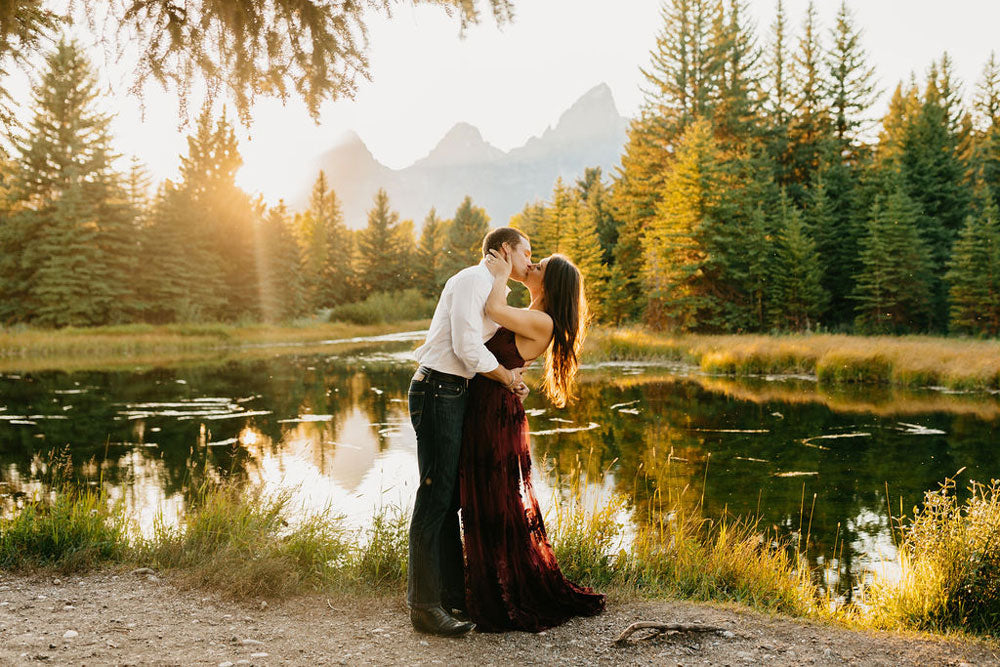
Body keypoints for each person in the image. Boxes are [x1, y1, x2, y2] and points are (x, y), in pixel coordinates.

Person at [458, 248, 606, 632]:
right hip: (488, 406)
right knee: (489, 496)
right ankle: (487, 586)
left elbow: (492, 310)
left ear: (549, 282)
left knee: (498, 498)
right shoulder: (533, 315)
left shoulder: (542, 321)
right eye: (532, 260)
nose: (532, 266)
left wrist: (501, 269)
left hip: (494, 413)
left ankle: (503, 592)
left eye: (538, 266)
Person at [406, 227, 534, 637]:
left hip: (453, 391)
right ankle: (424, 607)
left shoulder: (493, 287)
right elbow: (465, 345)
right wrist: (505, 379)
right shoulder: (471, 280)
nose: (530, 261)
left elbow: (488, 347)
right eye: (526, 252)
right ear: (503, 250)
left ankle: (448, 596)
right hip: (436, 388)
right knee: (435, 496)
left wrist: (513, 376)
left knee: (450, 498)